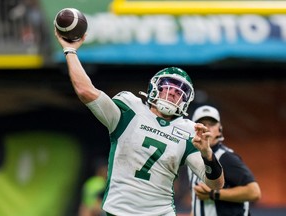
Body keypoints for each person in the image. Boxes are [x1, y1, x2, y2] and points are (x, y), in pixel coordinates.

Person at [54, 30, 224, 216]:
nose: (173, 93)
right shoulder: (130, 109)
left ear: (185, 100)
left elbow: (216, 184)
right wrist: (70, 50)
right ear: (154, 88)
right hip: (119, 211)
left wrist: (208, 155)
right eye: (168, 86)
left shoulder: (188, 130)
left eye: (180, 91)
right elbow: (86, 91)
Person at [188, 105, 261, 216]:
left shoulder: (226, 157)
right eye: (202, 124)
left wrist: (214, 194)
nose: (207, 128)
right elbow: (197, 204)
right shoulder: (192, 158)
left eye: (212, 124)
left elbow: (254, 192)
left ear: (219, 130)